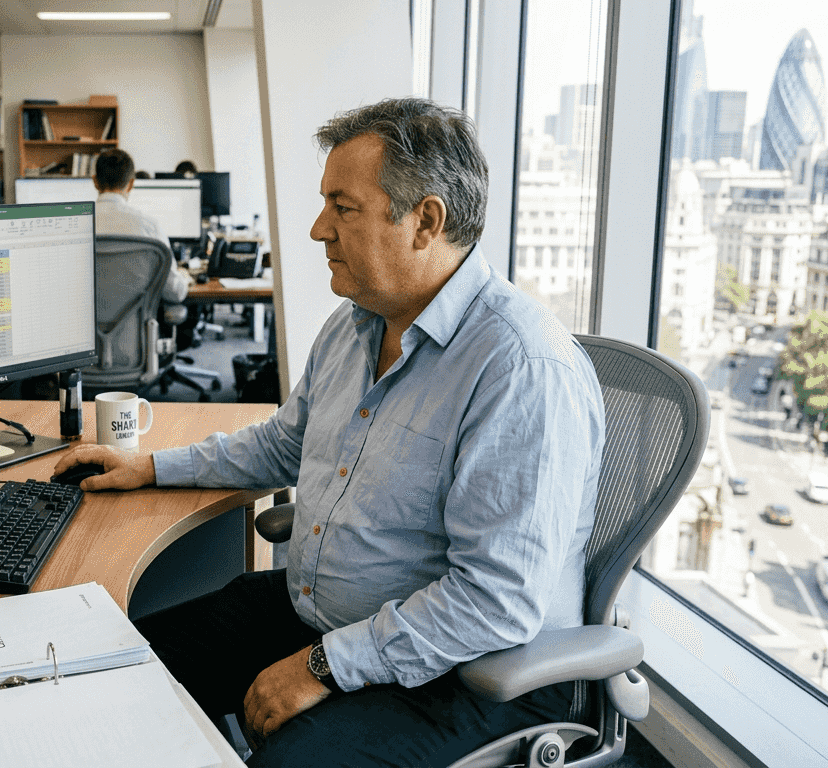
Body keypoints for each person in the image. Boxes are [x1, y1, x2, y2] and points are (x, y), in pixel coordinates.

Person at [54, 98, 606, 766]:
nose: (319, 229)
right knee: (119, 672)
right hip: (326, 619)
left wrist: (320, 667)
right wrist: (151, 467)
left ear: (426, 221)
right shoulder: (355, 326)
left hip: (465, 672)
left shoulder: (521, 368)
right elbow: (285, 444)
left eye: (343, 208)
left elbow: (494, 602)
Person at [92, 148, 188, 305]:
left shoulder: (74, 225)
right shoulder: (149, 226)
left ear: (95, 181)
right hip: (134, 328)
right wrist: (183, 277)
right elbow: (175, 292)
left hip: (82, 327)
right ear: (130, 184)